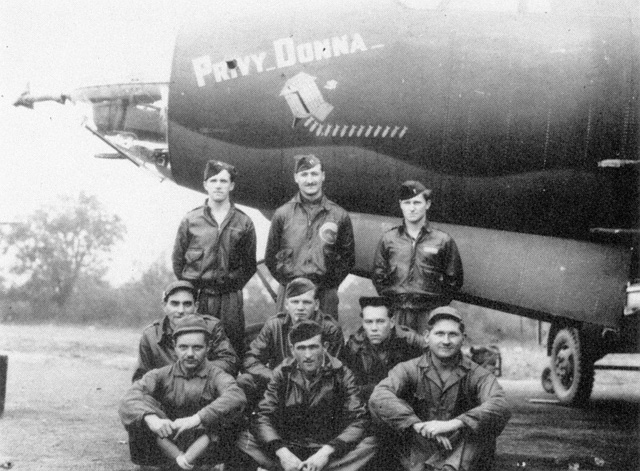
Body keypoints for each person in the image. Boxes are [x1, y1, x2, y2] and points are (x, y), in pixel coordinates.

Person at [369, 307, 511, 471]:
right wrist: (416, 424)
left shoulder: (477, 374)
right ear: (427, 337)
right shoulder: (408, 369)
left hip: (461, 452)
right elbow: (379, 396)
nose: (446, 341)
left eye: (452, 334)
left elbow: (500, 404)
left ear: (463, 339)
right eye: (439, 334)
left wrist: (455, 423)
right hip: (420, 447)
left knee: (483, 424)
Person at [235, 321, 377, 471]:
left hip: (328, 452)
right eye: (301, 348)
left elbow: (358, 420)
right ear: (292, 349)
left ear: (325, 347)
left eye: (313, 347)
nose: (308, 355)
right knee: (243, 438)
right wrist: (283, 454)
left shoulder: (342, 373)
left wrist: (325, 453)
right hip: (289, 449)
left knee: (372, 443)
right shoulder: (282, 373)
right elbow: (263, 415)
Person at [119, 315, 247, 470]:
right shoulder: (161, 374)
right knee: (141, 408)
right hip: (167, 445)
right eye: (183, 347)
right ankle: (163, 464)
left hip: (205, 450)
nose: (190, 353)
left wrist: (198, 418)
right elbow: (130, 397)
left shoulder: (217, 375)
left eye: (197, 347)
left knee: (232, 413)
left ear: (208, 347)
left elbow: (236, 395)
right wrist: (151, 418)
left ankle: (203, 465)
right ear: (174, 346)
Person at [172, 160, 257, 356]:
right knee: (196, 344)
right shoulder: (191, 220)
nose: (218, 185)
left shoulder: (244, 223)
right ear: (205, 185)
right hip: (200, 295)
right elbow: (178, 261)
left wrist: (231, 287)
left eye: (224, 181)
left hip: (230, 299)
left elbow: (249, 265)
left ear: (232, 185)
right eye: (213, 180)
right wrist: (191, 290)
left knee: (231, 347)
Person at [265, 154, 355, 320]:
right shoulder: (282, 214)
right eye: (304, 175)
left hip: (324, 294)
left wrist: (328, 284)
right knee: (287, 340)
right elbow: (271, 257)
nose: (310, 180)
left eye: (314, 174)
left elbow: (348, 259)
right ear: (296, 178)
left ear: (323, 176)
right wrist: (288, 282)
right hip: (291, 292)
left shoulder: (339, 215)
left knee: (327, 339)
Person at [372, 181, 463, 333]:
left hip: (429, 314)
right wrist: (393, 302)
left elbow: (454, 280)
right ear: (401, 205)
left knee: (428, 353)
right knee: (398, 355)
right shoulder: (388, 239)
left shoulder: (443, 240)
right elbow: (378, 276)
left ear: (427, 204)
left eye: (417, 202)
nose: (412, 208)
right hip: (397, 312)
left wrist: (436, 306)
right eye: (407, 203)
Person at [238, 277, 344, 407]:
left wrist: (299, 383)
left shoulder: (330, 329)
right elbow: (250, 359)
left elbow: (333, 369)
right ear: (286, 304)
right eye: (295, 302)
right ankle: (253, 422)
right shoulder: (274, 325)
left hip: (314, 388)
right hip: (279, 384)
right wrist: (273, 376)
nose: (300, 307)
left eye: (306, 302)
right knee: (245, 381)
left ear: (316, 305)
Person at [132, 280, 239, 382]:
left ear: (196, 307)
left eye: (187, 304)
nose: (181, 310)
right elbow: (140, 377)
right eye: (175, 304)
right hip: (166, 394)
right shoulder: (151, 335)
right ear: (164, 306)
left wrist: (194, 370)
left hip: (204, 391)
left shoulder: (212, 327)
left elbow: (230, 363)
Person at [340, 296, 425, 402]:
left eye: (380, 321)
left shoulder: (411, 341)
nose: (374, 328)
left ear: (392, 322)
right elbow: (350, 388)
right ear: (363, 323)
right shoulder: (354, 347)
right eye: (369, 322)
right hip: (369, 403)